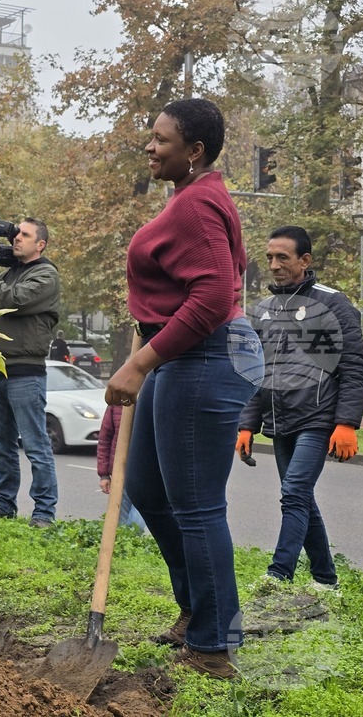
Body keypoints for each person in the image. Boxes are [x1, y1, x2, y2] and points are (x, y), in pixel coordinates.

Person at [105, 98, 264, 679]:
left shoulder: (197, 204)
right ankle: (198, 607)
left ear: (194, 150)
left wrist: (139, 364)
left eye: (161, 139)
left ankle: (213, 645)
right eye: (151, 137)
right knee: (147, 487)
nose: (150, 147)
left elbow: (214, 297)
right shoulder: (190, 197)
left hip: (204, 355)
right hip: (182, 354)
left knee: (197, 506)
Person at [237, 226, 363, 590]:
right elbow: (257, 371)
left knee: (294, 492)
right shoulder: (265, 310)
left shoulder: (331, 303)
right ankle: (326, 579)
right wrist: (246, 424)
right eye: (269, 258)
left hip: (318, 417)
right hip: (280, 419)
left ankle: (278, 574)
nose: (274, 265)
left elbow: (353, 365)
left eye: (283, 257)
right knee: (301, 498)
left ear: (304, 260)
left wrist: (346, 423)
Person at [0, 218, 61, 529]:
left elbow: (11, 301)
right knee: (2, 445)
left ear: (41, 244)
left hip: (26, 372)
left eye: (25, 235)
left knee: (36, 446)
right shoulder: (10, 273)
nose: (17, 239)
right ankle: (4, 505)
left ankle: (44, 513)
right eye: (16, 234)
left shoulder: (46, 275)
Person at [96, 403, 146, 531]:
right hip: (121, 473)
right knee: (120, 525)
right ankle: (123, 542)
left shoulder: (152, 397)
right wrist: (104, 475)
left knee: (136, 524)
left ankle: (131, 540)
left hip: (147, 473)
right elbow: (105, 438)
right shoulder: (117, 402)